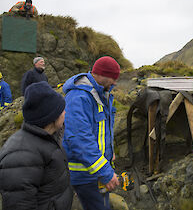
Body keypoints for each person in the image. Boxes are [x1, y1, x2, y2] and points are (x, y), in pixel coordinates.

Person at [0, 81, 73, 210]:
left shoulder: (50, 136)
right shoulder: (19, 155)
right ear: (51, 115)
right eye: (62, 110)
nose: (65, 113)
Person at [62, 56, 120, 210]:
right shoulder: (79, 97)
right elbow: (79, 139)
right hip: (85, 174)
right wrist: (105, 172)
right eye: (113, 78)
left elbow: (101, 130)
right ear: (100, 75)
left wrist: (109, 152)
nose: (115, 83)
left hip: (95, 171)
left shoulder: (101, 93)